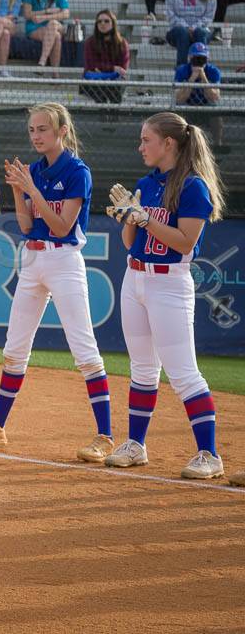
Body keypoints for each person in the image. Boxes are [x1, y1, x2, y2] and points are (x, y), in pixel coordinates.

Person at [0, 103, 114, 465]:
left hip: (63, 260)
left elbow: (62, 227)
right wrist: (19, 190)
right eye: (32, 130)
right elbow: (28, 226)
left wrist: (32, 187)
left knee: (84, 350)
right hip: (32, 258)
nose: (36, 135)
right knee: (15, 348)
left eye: (43, 129)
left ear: (62, 131)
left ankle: (105, 437)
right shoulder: (33, 170)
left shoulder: (78, 171)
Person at [103, 112, 227, 480]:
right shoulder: (147, 182)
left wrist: (143, 218)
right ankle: (136, 445)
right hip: (135, 278)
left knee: (184, 372)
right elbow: (131, 242)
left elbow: (185, 242)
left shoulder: (193, 187)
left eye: (146, 140)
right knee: (142, 368)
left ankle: (210, 454)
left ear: (168, 143)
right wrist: (129, 218)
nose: (141, 147)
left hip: (169, 284)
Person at [164, 0, 216, 67]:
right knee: (182, 32)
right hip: (177, 32)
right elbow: (170, 14)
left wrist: (194, 27)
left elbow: (208, 17)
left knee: (201, 32)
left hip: (200, 31)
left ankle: (201, 71)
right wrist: (186, 27)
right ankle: (181, 73)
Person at [20, 0, 70, 72]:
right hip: (35, 27)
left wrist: (44, 17)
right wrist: (47, 11)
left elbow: (66, 14)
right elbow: (27, 14)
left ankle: (42, 61)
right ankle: (55, 75)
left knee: (52, 24)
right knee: (56, 36)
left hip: (55, 25)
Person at [82, 9, 130, 104]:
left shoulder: (122, 43)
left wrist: (102, 69)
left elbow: (122, 68)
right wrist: (112, 68)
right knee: (100, 89)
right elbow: (91, 65)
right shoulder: (90, 42)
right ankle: (102, 116)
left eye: (106, 21)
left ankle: (114, 117)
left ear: (113, 23)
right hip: (95, 81)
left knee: (114, 89)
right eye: (99, 21)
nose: (102, 24)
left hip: (115, 81)